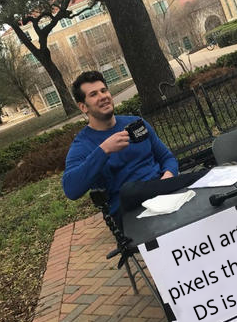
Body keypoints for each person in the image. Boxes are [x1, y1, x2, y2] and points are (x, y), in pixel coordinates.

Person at [62, 71, 178, 218]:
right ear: (83, 107)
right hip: (130, 211)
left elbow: (167, 158)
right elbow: (71, 189)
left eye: (104, 90)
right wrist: (104, 150)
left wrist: (168, 177)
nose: (103, 96)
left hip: (163, 192)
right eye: (94, 94)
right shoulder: (83, 145)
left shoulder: (136, 123)